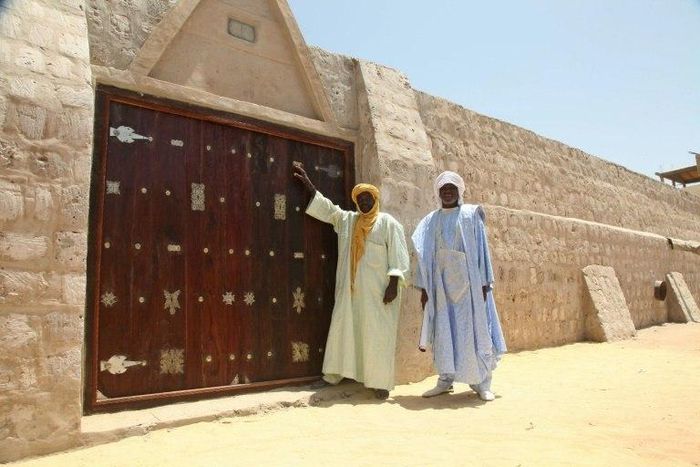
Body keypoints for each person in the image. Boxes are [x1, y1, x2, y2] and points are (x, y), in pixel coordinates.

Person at [293, 162, 409, 399]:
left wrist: (394, 284)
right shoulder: (349, 221)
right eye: (361, 199)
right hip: (351, 291)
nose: (364, 202)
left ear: (375, 200)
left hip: (378, 293)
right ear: (356, 202)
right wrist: (309, 185)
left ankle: (380, 383)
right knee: (344, 330)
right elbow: (329, 210)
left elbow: (398, 256)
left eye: (368, 198)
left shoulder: (388, 223)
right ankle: (333, 375)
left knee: (378, 335)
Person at [412, 171, 506, 400]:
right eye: (443, 189)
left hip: (471, 286)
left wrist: (485, 283)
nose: (447, 192)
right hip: (441, 287)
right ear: (438, 192)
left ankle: (482, 383)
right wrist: (425, 288)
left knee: (474, 331)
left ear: (459, 191)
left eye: (452, 188)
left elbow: (483, 250)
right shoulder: (430, 221)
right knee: (445, 332)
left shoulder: (470, 215)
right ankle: (445, 379)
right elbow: (423, 256)